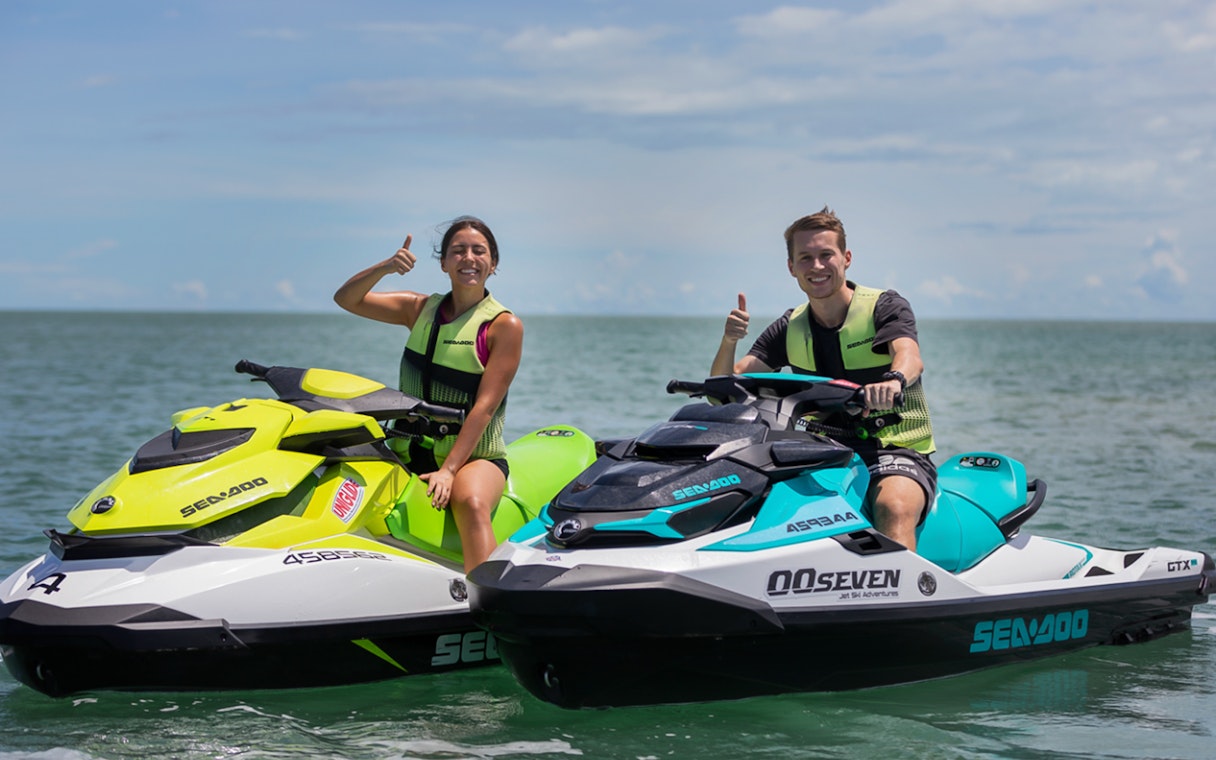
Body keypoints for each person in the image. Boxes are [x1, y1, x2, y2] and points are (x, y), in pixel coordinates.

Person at [711, 206, 936, 552]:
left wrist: (893, 380)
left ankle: (901, 583)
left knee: (893, 506)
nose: (816, 266)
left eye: (826, 255)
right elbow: (723, 390)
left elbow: (909, 356)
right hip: (822, 449)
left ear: (846, 258)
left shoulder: (884, 306)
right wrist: (729, 340)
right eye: (805, 258)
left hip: (893, 448)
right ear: (792, 267)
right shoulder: (790, 326)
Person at [334, 216, 523, 572]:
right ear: (444, 263)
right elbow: (346, 299)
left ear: (493, 263)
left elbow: (485, 407)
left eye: (479, 251)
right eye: (458, 251)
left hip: (473, 459)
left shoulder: (503, 326)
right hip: (408, 449)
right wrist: (386, 267)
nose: (469, 258)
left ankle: (488, 597)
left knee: (470, 503)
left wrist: (449, 471)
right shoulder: (418, 309)